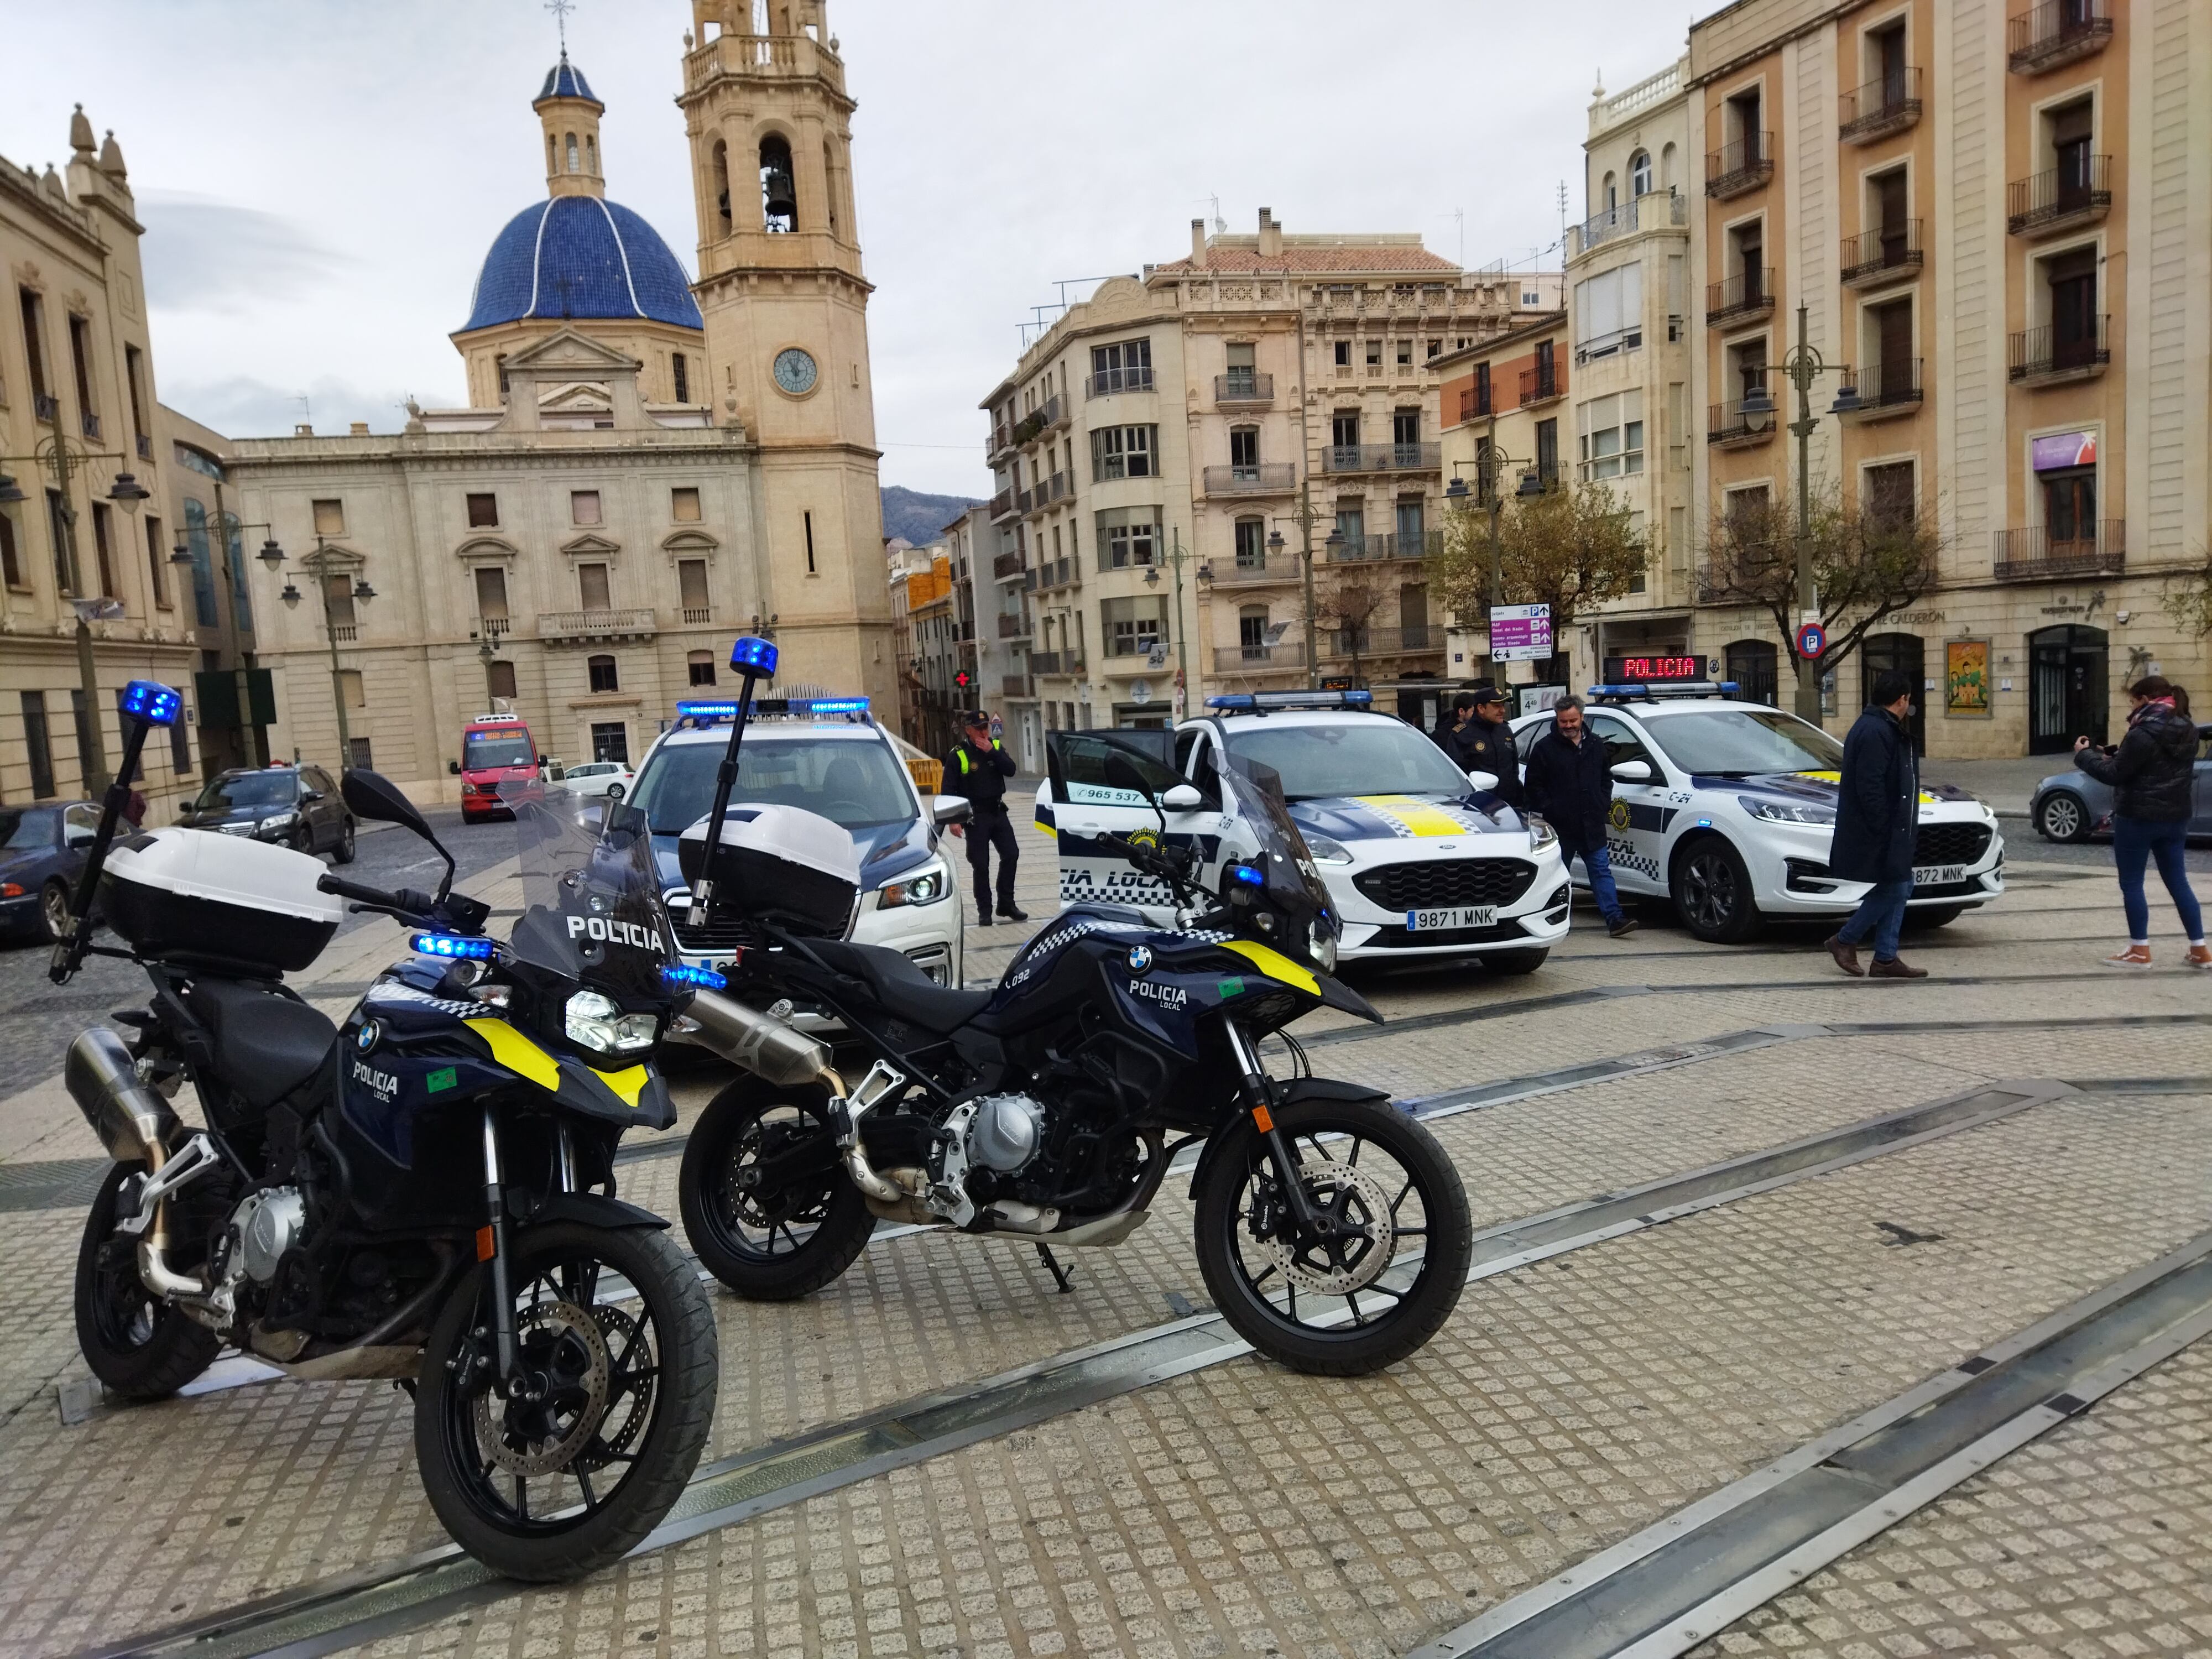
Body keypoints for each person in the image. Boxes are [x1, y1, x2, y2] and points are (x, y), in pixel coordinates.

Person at [2072, 675, 2208, 968]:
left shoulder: (2142, 732)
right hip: (2175, 816)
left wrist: (2084, 757)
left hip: (2139, 817)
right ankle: (2200, 949)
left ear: (2144, 700)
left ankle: (2139, 950)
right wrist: (2109, 755)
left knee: (2132, 883)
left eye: (2133, 701)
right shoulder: (2188, 728)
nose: (2132, 707)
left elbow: (2115, 775)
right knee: (2178, 881)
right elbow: (2150, 762)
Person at [1824, 670, 1926, 979]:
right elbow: (1871, 787)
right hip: (1879, 829)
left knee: (1901, 882)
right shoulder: (1875, 731)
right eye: (1908, 699)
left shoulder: (1880, 726)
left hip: (1889, 827)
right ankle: (1845, 939)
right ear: (1902, 700)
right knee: (1897, 886)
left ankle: (1885, 958)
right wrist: (1886, 829)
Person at [1524, 694, 1637, 938]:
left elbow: (1606, 779)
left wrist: (1602, 803)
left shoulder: (1596, 745)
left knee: (1601, 872)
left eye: (1572, 721)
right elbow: (1533, 786)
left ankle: (1615, 920)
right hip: (1560, 828)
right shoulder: (1545, 748)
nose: (1568, 726)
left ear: (1582, 717)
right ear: (1558, 719)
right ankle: (1552, 919)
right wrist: (1551, 808)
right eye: (1563, 721)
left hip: (1592, 824)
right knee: (1555, 877)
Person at [942, 711, 1026, 926]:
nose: (983, 732)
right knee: (981, 864)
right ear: (968, 730)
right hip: (975, 817)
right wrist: (953, 820)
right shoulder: (959, 754)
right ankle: (985, 910)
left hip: (998, 811)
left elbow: (1011, 770)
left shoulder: (995, 747)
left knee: (1011, 854)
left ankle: (1006, 904)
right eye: (979, 728)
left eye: (985, 728)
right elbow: (948, 790)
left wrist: (993, 753)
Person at [1456, 686, 1526, 813]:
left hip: (1508, 807)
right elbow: (1458, 778)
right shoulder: (1462, 735)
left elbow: (1513, 768)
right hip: (1478, 809)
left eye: (1503, 705)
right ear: (1481, 708)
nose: (1502, 710)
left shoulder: (1505, 730)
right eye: (1496, 706)